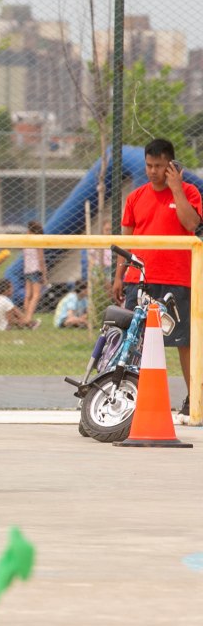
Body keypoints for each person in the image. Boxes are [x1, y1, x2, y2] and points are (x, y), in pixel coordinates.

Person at [111, 138, 201, 418]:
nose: (152, 171)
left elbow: (191, 224)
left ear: (171, 166)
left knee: (183, 341)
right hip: (140, 280)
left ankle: (194, 397)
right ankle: (128, 396)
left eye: (159, 166)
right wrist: (119, 276)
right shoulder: (135, 197)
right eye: (149, 165)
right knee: (133, 340)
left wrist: (176, 190)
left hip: (177, 279)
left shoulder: (189, 193)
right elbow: (125, 242)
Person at [23, 221, 46, 322]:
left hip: (27, 270)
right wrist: (44, 274)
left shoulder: (25, 242)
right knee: (36, 295)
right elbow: (41, 259)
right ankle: (29, 318)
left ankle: (25, 316)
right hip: (36, 269)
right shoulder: (38, 241)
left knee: (28, 295)